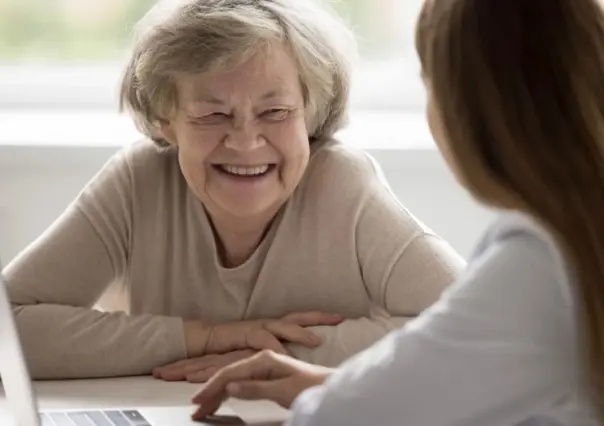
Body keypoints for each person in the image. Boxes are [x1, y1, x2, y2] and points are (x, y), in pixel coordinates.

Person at [1, 0, 463, 381]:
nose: (245, 141)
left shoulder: (342, 184)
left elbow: (472, 325)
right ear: (168, 124)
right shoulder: (137, 182)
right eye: (212, 115)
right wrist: (207, 337)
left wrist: (279, 355)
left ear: (311, 114)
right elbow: (7, 328)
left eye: (276, 111)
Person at [190, 0, 604, 425]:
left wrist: (335, 393)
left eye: (430, 85)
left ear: (468, 106)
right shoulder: (573, 240)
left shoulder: (541, 260)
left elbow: (340, 418)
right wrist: (332, 385)